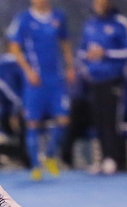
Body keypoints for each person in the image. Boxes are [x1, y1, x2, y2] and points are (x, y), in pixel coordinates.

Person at [7, 0, 76, 181]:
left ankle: (50, 156)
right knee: (32, 122)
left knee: (63, 120)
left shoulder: (58, 16)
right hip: (35, 81)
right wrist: (28, 71)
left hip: (56, 79)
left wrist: (69, 66)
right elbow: (14, 47)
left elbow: (65, 42)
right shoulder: (23, 19)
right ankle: (35, 166)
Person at [78, 0, 127, 175]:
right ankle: (103, 158)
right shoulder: (90, 24)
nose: (99, 3)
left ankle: (114, 158)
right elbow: (81, 51)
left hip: (113, 79)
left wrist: (106, 53)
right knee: (99, 120)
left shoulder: (120, 23)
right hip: (94, 80)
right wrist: (88, 56)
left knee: (112, 119)